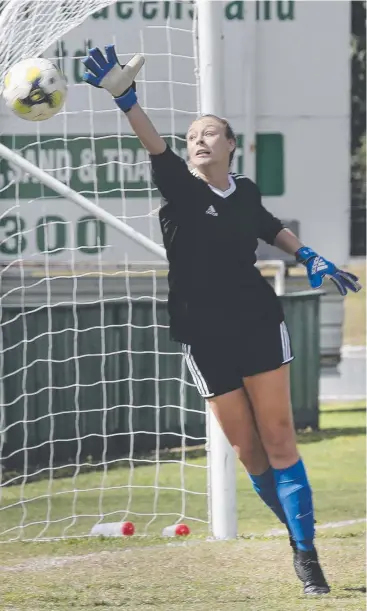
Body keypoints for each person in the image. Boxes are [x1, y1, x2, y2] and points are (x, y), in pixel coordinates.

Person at [82, 46, 361, 595]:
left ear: (231, 145)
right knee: (249, 452)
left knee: (280, 438)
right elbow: (157, 149)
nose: (198, 138)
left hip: (257, 321)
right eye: (193, 135)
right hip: (203, 334)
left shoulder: (246, 191)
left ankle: (307, 561)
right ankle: (298, 533)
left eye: (210, 132)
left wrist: (307, 254)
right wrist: (125, 99)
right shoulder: (182, 191)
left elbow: (267, 224)